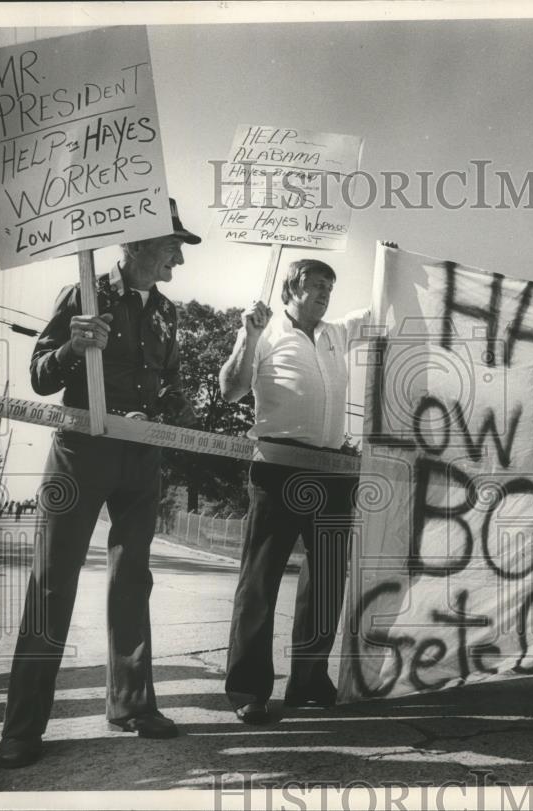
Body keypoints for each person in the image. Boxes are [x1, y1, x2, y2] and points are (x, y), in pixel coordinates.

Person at [0, 200, 201, 769]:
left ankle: (132, 705)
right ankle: (22, 727)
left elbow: (176, 390)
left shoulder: (168, 314)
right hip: (78, 456)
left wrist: (165, 418)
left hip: (140, 461)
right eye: (170, 245)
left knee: (133, 580)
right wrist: (72, 347)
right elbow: (39, 376)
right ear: (135, 243)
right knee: (52, 585)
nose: (178, 259)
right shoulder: (82, 295)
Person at [219, 257, 370, 724]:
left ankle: (308, 679)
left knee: (327, 582)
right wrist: (248, 335)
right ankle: (248, 689)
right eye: (316, 284)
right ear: (291, 288)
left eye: (330, 285)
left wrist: (388, 256)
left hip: (331, 471)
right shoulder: (262, 331)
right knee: (259, 583)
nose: (325, 292)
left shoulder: (337, 333)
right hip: (277, 469)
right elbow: (231, 390)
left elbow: (387, 303)